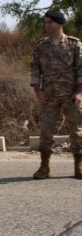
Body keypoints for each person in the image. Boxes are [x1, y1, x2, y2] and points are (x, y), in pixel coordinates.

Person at [29, 10, 82, 180]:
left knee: (76, 130)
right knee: (46, 131)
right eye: (45, 22)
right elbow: (35, 71)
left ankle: (79, 166)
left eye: (50, 22)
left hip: (70, 95)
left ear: (60, 23)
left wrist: (80, 93)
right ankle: (44, 167)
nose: (47, 25)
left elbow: (81, 71)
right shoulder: (40, 46)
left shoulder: (74, 45)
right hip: (48, 95)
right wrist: (38, 92)